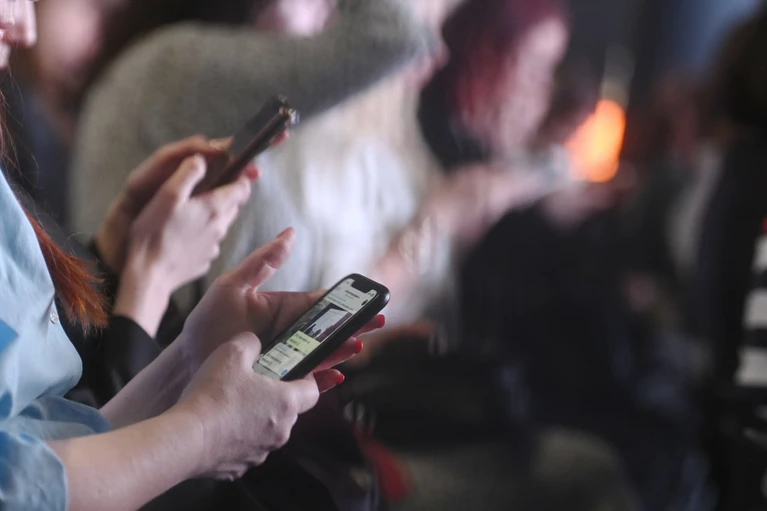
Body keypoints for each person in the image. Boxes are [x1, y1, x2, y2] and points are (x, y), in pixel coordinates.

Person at [0, 3, 378, 510]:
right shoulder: (169, 68)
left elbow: (47, 431)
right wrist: (202, 431)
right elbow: (23, 482)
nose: (24, 28)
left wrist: (185, 359)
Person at [70, 0, 439, 275]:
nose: (323, 23)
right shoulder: (177, 68)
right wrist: (444, 218)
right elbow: (391, 35)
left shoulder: (177, 68)